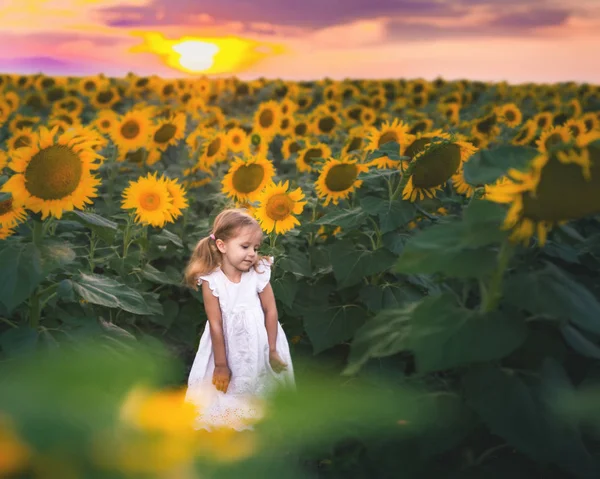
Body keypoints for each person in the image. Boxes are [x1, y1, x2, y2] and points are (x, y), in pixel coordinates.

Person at [183, 208, 295, 431]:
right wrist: (222, 364)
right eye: (245, 247)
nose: (252, 253)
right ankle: (230, 433)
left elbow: (270, 311)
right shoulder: (212, 281)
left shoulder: (258, 273)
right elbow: (215, 324)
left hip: (260, 346)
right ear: (222, 246)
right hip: (226, 349)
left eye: (256, 248)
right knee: (226, 394)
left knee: (261, 389)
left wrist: (272, 350)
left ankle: (262, 432)